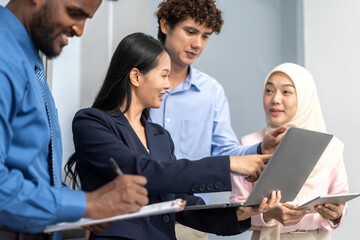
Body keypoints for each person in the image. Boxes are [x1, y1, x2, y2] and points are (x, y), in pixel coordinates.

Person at [68, 32, 285, 240]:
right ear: (135, 76)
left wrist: (244, 211)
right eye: (164, 75)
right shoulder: (91, 123)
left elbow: (183, 205)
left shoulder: (160, 136)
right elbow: (143, 171)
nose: (168, 85)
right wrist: (228, 163)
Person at [0, 0, 149, 239]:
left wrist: (79, 209)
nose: (79, 30)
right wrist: (86, 203)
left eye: (86, 19)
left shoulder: (28, 61)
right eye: (74, 13)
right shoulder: (4, 57)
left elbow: (32, 171)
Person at [150, 1, 284, 239]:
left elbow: (226, 152)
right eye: (190, 32)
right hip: (136, 217)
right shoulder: (138, 83)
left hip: (190, 221)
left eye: (205, 36)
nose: (197, 44)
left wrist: (260, 148)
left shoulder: (211, 92)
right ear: (165, 24)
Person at [230, 63, 349, 240]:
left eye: (286, 92)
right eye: (269, 91)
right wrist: (268, 214)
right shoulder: (251, 144)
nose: (275, 99)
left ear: (305, 97)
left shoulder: (329, 146)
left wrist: (337, 213)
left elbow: (341, 199)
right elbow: (237, 208)